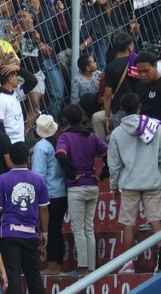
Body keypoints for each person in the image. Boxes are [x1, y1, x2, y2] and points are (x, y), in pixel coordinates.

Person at [108, 92, 161, 273]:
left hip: (129, 184)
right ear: (140, 106)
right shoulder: (154, 127)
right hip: (152, 181)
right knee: (156, 220)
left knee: (128, 222)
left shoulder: (117, 133)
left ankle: (128, 264)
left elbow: (114, 163)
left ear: (121, 109)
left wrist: (114, 185)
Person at [55, 103, 108, 276]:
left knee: (78, 229)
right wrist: (103, 174)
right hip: (92, 185)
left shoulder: (65, 137)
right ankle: (90, 268)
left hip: (76, 187)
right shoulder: (92, 136)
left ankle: (83, 268)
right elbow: (110, 153)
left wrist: (71, 174)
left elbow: (61, 156)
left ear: (65, 119)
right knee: (88, 228)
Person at [0, 141, 49, 294]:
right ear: (29, 159)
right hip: (31, 233)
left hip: (8, 234)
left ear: (10, 159)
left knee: (13, 274)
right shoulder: (38, 180)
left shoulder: (2, 179)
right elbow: (44, 209)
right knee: (32, 273)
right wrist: (44, 232)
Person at [31, 114, 66, 275]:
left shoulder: (41, 147)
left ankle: (52, 265)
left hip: (49, 194)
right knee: (57, 230)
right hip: (61, 192)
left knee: (51, 230)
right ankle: (57, 264)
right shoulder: (59, 142)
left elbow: (38, 176)